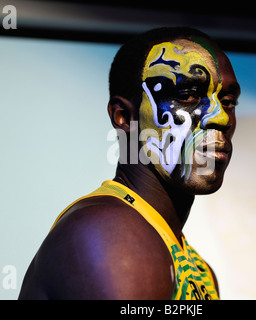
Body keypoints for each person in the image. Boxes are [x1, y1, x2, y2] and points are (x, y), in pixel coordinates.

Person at [18, 27, 240, 300]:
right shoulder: (110, 233)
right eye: (186, 95)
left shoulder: (199, 270)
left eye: (228, 101)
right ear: (124, 116)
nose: (221, 117)